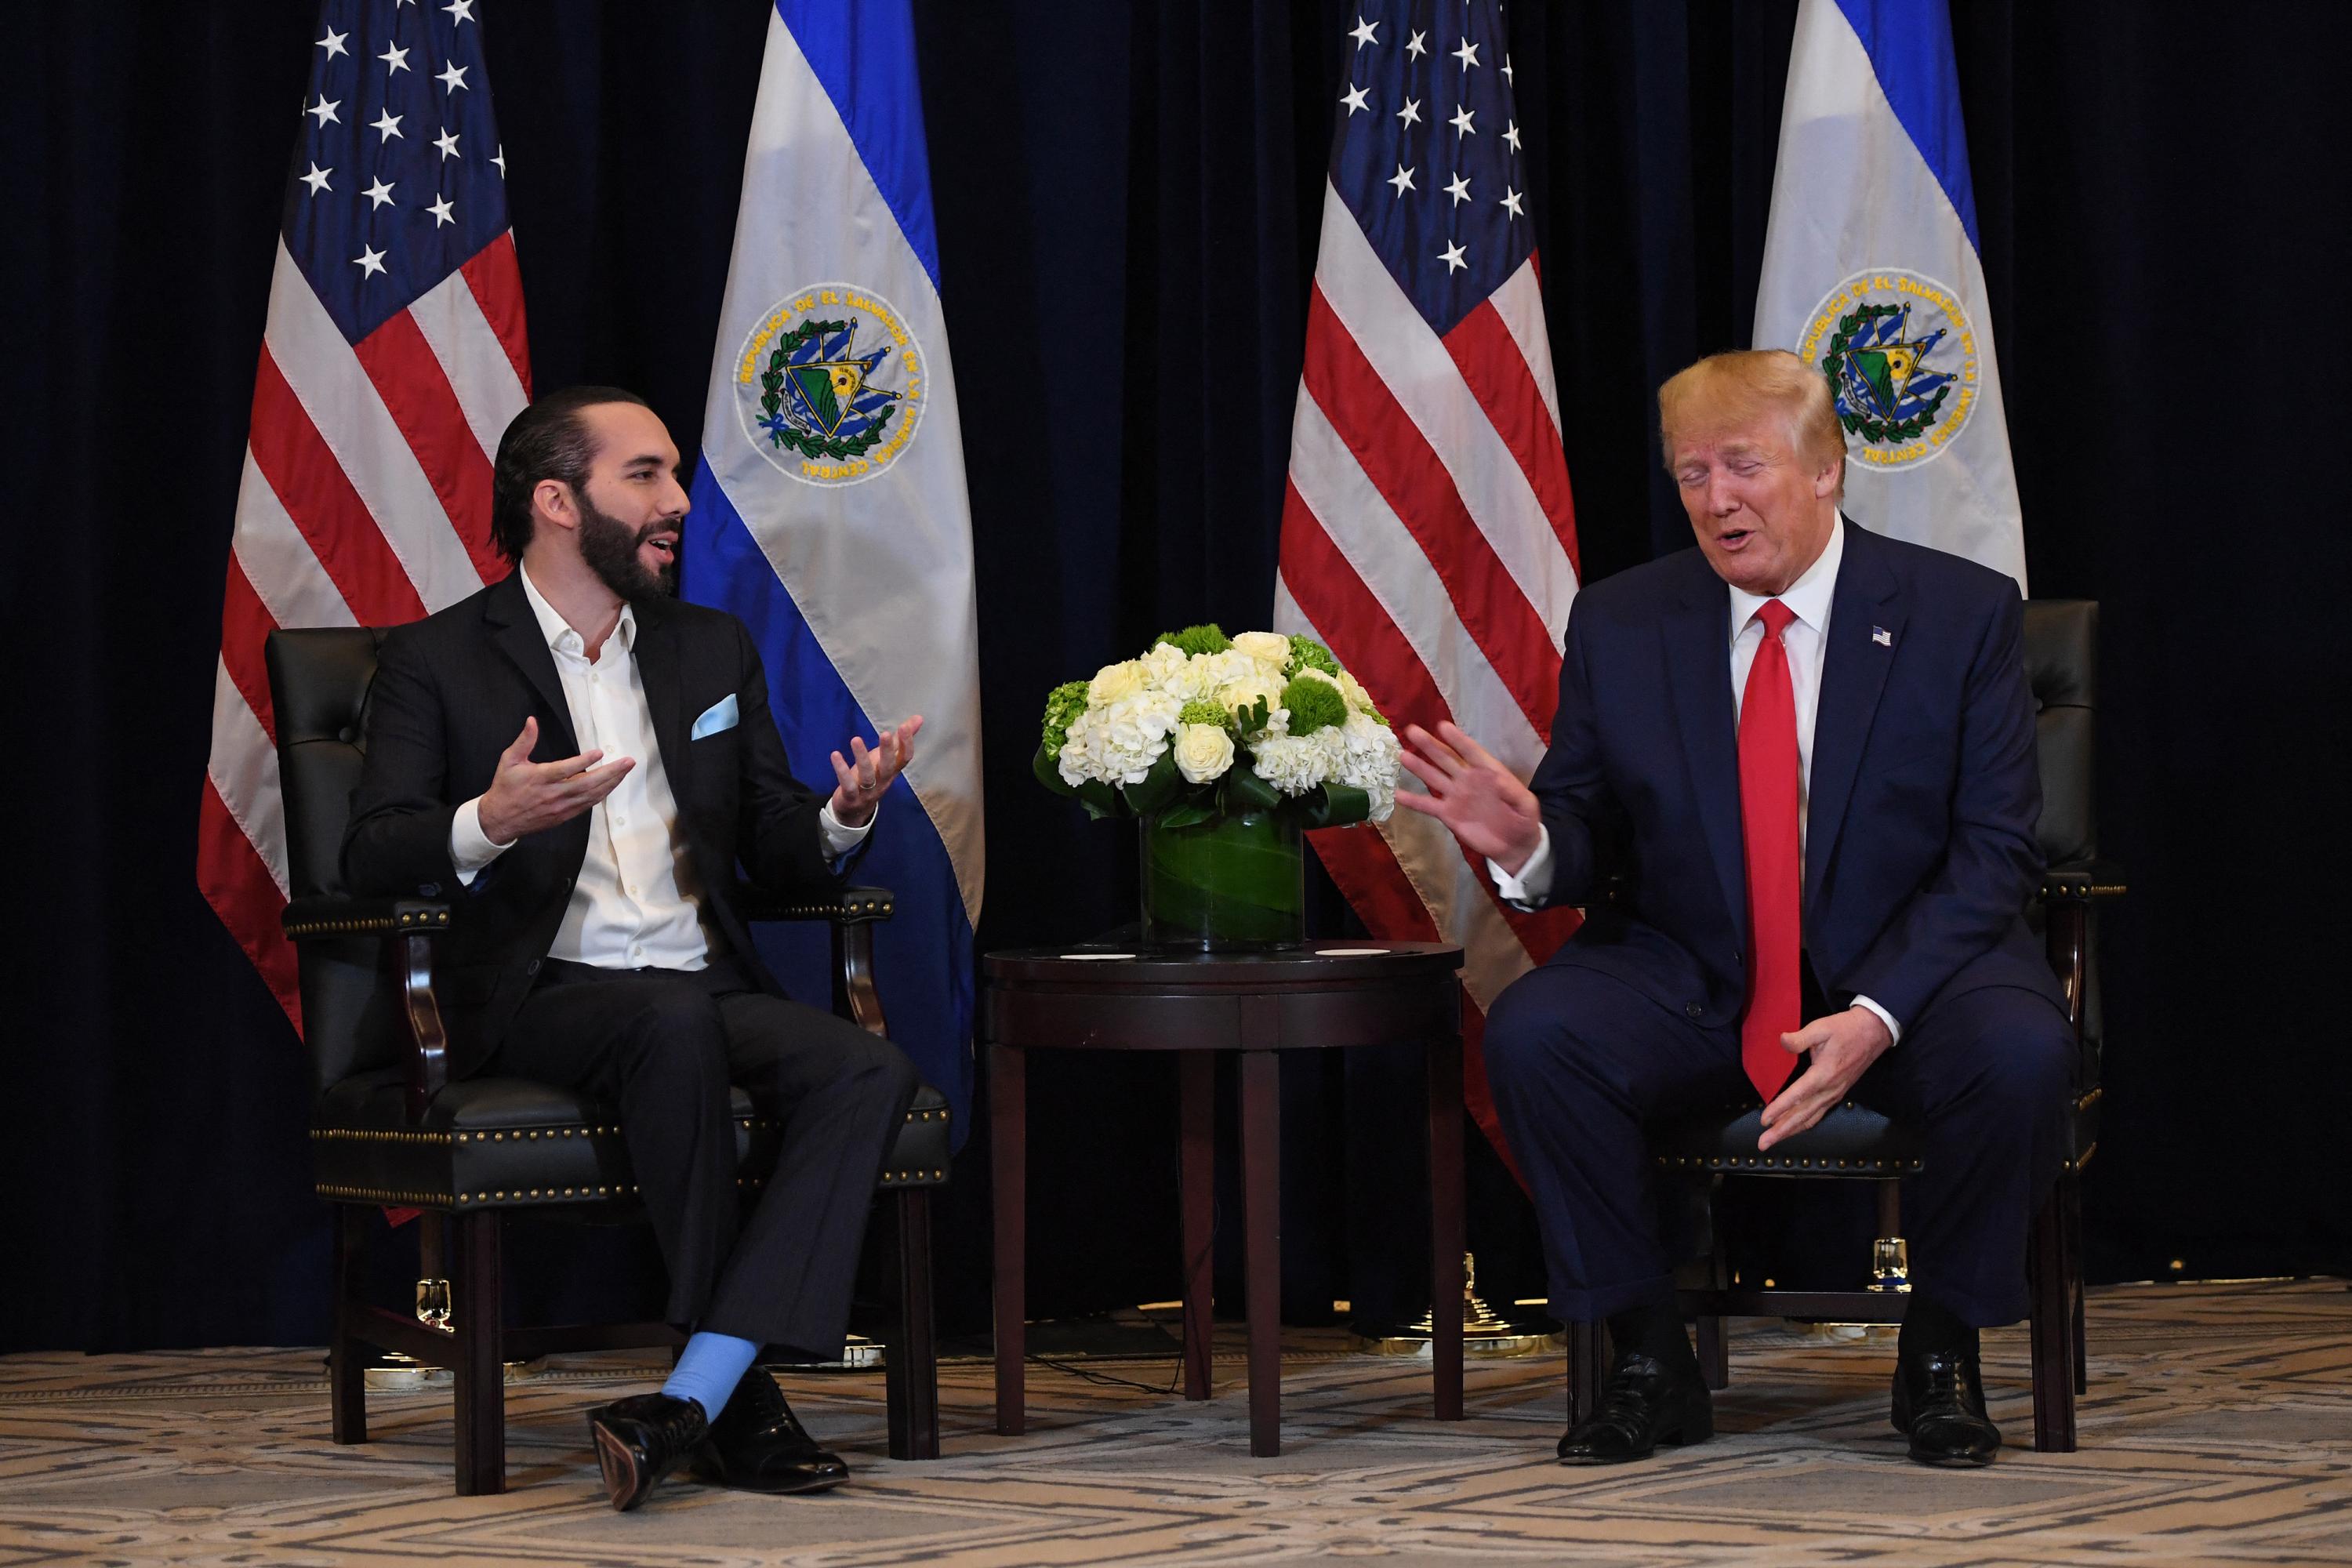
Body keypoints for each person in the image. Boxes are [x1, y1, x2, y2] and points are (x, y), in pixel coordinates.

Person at [1396, 350, 2070, 1468]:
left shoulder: (1959, 614)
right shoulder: (1626, 620)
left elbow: (1996, 853)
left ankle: (1942, 1351)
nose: (1717, 499)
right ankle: (1650, 1355)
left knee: (2020, 1048)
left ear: (1824, 471)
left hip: (1913, 965)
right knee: (1539, 1034)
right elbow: (1585, 826)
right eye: (1693, 473)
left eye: (1743, 466)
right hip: (1696, 968)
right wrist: (1530, 844)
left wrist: (1880, 1014)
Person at [343, 385, 924, 1511]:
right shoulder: (436, 659)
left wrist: (842, 816)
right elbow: (370, 855)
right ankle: (744, 1404)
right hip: (536, 990)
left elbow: (772, 842)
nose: (677, 502)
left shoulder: (710, 646)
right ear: (557, 501)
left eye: (673, 475)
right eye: (645, 476)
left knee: (868, 1065)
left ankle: (693, 1395)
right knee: (667, 1026)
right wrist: (489, 821)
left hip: (697, 978)